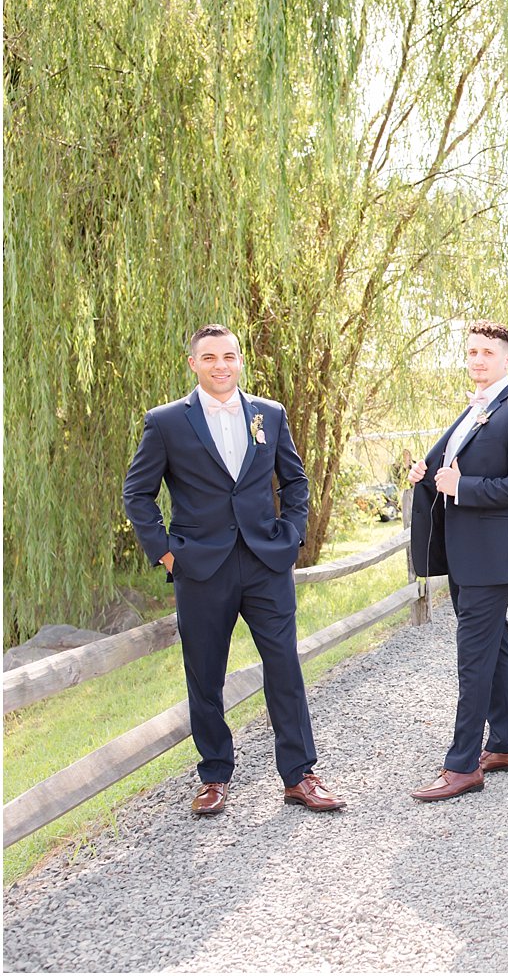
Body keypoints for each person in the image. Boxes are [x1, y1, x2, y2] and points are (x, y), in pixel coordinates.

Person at [123, 324, 343, 816]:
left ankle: (300, 774)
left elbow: (294, 478)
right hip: (200, 566)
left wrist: (292, 535)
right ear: (193, 364)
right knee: (205, 674)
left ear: (240, 361)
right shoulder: (166, 422)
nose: (221, 365)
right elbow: (137, 493)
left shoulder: (269, 413)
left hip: (266, 561)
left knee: (284, 666)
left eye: (229, 356)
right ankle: (215, 775)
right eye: (210, 357)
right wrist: (165, 552)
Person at [408, 320, 508, 801]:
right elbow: (444, 467)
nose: (478, 359)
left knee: (472, 656)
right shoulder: (473, 410)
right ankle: (506, 743)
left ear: (506, 359)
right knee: (494, 647)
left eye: (488, 352)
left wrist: (461, 488)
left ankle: (463, 764)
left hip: (493, 556)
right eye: (472, 351)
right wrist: (425, 473)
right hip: (465, 552)